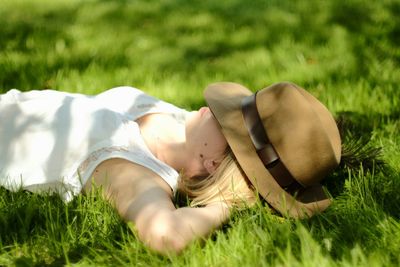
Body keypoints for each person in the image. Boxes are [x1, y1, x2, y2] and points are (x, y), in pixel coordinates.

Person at [0, 82, 341, 254]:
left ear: (212, 163)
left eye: (228, 125)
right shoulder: (180, 128)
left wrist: (230, 200)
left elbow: (166, 234)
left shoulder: (131, 168)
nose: (212, 109)